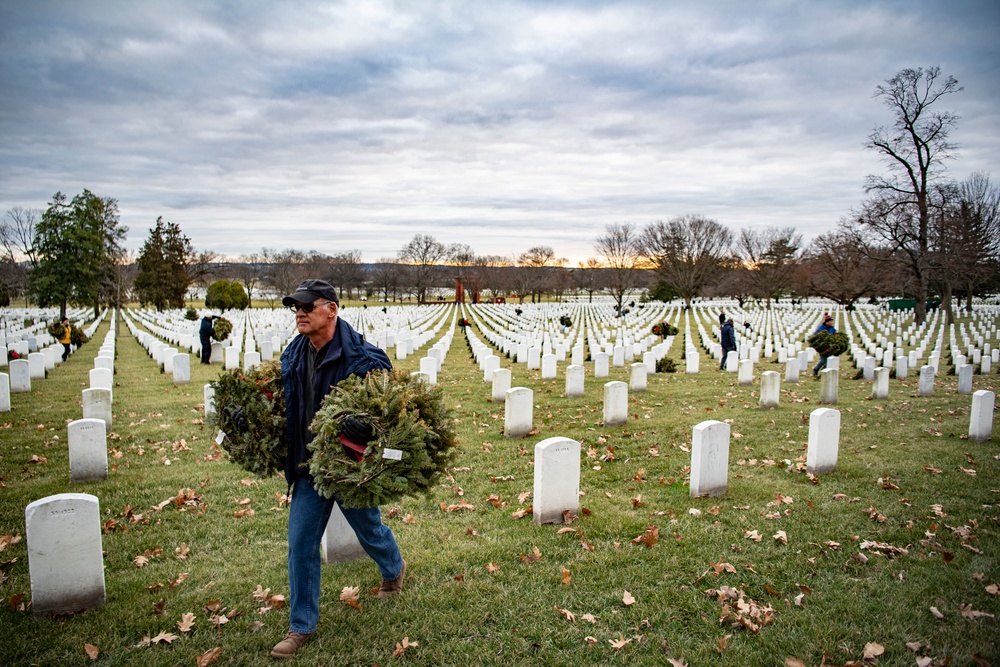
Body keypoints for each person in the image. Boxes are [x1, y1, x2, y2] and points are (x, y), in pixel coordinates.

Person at [271, 279, 405, 660]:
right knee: (300, 542)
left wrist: (366, 426)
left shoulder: (364, 357)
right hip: (309, 466)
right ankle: (301, 626)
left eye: (306, 305)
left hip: (348, 466)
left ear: (331, 309)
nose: (299, 312)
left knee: (369, 529)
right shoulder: (294, 353)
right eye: (294, 306)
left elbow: (387, 410)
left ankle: (393, 569)